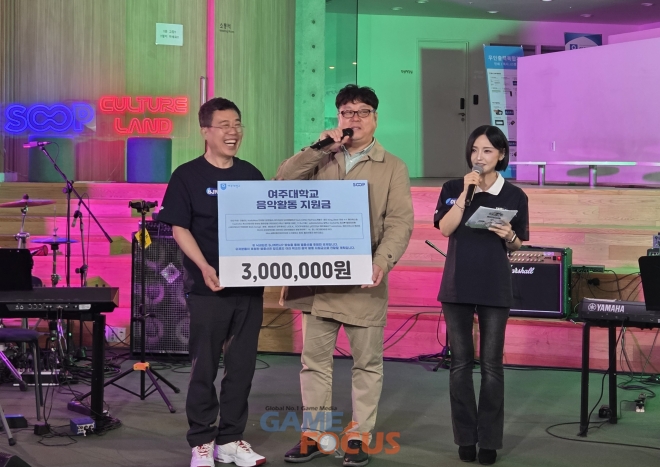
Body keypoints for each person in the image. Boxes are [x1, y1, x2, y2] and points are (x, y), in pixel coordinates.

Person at [277, 84, 414, 467]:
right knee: (314, 363)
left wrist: (382, 261)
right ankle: (315, 435)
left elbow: (400, 222)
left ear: (375, 119)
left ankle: (358, 436)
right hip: (317, 278)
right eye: (347, 113)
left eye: (362, 112)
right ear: (338, 118)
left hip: (363, 280)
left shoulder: (393, 166)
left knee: (366, 364)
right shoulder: (321, 156)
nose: (354, 119)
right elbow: (282, 181)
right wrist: (318, 147)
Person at [158, 97, 266, 467]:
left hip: (249, 288)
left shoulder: (251, 174)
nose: (233, 131)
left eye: (237, 124)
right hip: (208, 287)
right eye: (224, 125)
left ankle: (231, 439)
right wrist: (204, 266)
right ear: (206, 131)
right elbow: (179, 227)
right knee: (204, 366)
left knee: (242, 367)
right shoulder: (187, 175)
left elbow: (264, 226)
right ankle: (201, 440)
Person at [433, 125, 529, 465]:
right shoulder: (453, 188)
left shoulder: (514, 195)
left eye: (487, 150)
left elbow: (517, 245)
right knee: (460, 364)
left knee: (491, 365)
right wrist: (465, 193)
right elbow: (445, 228)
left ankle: (489, 440)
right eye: (475, 149)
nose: (479, 156)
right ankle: (465, 437)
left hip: (494, 285)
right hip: (457, 285)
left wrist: (509, 235)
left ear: (501, 155)